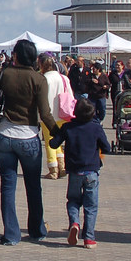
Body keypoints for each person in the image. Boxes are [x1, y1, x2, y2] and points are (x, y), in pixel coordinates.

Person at [0, 39, 59, 245]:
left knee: (8, 185)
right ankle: (37, 230)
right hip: (28, 136)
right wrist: (58, 134)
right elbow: (45, 114)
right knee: (33, 185)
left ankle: (11, 234)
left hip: (4, 134)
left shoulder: (3, 74)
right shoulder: (38, 79)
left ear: (16, 55)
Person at [50, 97, 111, 249]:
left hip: (74, 171)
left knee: (73, 200)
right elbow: (107, 148)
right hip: (91, 171)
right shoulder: (96, 127)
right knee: (91, 205)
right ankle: (89, 238)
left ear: (75, 112)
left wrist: (56, 131)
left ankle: (74, 223)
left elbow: (53, 144)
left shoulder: (68, 127)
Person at [39, 53, 72, 180]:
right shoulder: (64, 78)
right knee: (59, 140)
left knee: (49, 141)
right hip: (63, 113)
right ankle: (62, 167)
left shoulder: (43, 79)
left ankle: (53, 169)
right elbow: (70, 95)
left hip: (48, 114)